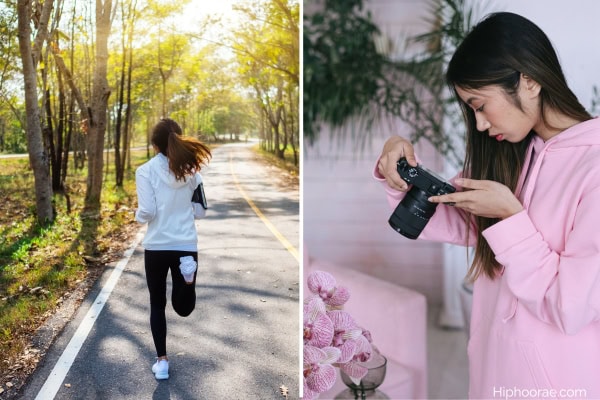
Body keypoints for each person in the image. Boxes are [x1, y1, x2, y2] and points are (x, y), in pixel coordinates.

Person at [375, 12, 600, 399]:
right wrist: (401, 175)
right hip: (493, 370)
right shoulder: (519, 151)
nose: (479, 125)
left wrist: (511, 216)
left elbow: (572, 307)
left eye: (480, 105)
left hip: (556, 386)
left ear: (528, 82)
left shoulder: (593, 166)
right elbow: (473, 227)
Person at [135, 118, 211, 380]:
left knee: (158, 303)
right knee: (183, 308)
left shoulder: (144, 171)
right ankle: (188, 281)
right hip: (185, 245)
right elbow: (200, 213)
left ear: (154, 145)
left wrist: (136, 216)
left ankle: (162, 363)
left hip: (156, 246)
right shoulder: (193, 172)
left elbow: (146, 212)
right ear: (179, 139)